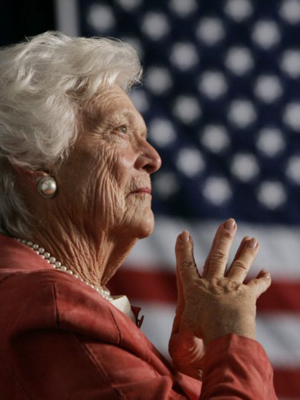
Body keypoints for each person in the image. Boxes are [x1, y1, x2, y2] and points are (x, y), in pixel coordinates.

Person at [0, 31, 277, 399]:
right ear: (38, 163)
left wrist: (202, 366)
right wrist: (234, 334)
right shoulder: (52, 308)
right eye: (120, 130)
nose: (153, 158)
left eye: (142, 135)